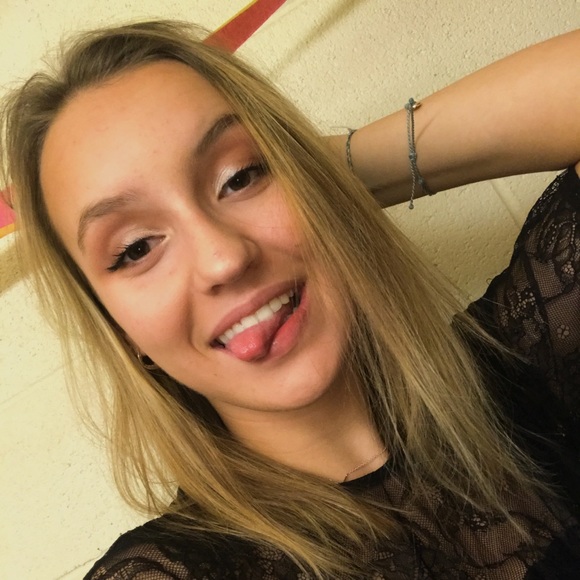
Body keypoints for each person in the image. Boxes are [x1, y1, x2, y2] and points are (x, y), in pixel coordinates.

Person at [1, 19, 579, 579]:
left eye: (242, 175)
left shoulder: (532, 357)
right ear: (120, 329)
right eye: (135, 249)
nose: (224, 258)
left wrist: (325, 181)